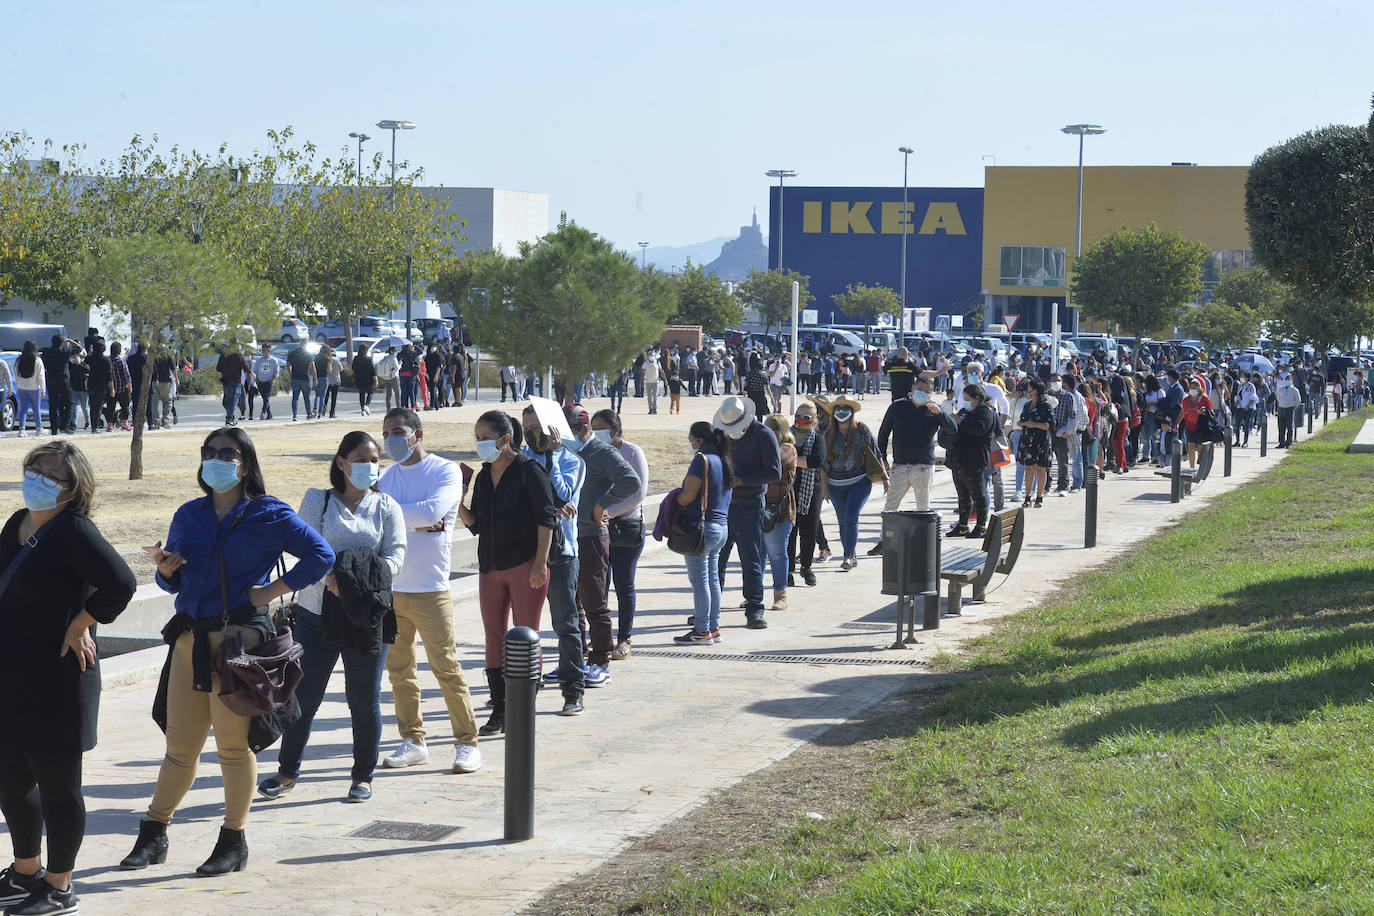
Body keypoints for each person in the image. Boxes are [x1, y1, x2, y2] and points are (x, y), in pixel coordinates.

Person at [122, 427, 333, 877]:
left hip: (240, 644)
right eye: (209, 452)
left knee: (233, 749)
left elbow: (321, 555)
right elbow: (172, 579)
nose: (216, 459)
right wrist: (165, 571)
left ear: (246, 462)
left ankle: (233, 841)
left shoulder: (269, 513)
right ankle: (154, 834)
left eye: (227, 453)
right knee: (180, 748)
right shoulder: (190, 513)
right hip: (189, 640)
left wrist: (271, 591)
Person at [0, 441, 136, 915]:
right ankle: (24, 872)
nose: (40, 478)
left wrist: (82, 623)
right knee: (11, 780)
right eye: (35, 468)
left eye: (53, 474)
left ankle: (59, 886)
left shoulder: (76, 530)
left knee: (58, 786)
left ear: (74, 487)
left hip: (59, 676)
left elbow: (121, 583)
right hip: (11, 674)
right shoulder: (16, 523)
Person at [257, 432, 405, 805]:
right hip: (315, 614)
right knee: (304, 696)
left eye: (375, 460)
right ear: (341, 462)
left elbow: (395, 558)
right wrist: (330, 578)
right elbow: (302, 549)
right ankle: (287, 771)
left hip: (366, 617)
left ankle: (363, 776)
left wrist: (351, 584)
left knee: (364, 699)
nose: (370, 466)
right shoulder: (317, 500)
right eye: (361, 459)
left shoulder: (387, 506)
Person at [375, 408, 483, 774]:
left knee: (446, 668)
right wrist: (416, 519)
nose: (391, 438)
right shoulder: (387, 476)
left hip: (430, 588)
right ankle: (413, 740)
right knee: (400, 671)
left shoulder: (444, 470)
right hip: (391, 589)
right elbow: (386, 520)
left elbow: (433, 512)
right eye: (387, 431)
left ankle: (467, 742)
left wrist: (402, 516)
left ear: (418, 434)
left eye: (398, 431)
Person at [461, 411, 560, 734]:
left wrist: (539, 564)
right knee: (494, 635)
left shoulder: (530, 470)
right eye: (476, 438)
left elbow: (547, 520)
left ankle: (523, 706)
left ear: (505, 439)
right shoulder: (483, 474)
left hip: (524, 564)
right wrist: (457, 503)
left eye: (485, 438)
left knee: (525, 633)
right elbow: (476, 523)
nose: (480, 444)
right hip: (490, 565)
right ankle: (500, 708)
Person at [562, 404, 641, 686]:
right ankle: (573, 658)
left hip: (591, 537)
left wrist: (601, 504)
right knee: (569, 603)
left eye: (568, 431)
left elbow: (631, 481)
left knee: (595, 600)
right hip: (566, 537)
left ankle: (600, 661)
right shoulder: (567, 453)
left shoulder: (602, 453)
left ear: (583, 430)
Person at [522, 408, 588, 715]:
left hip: (561, 554)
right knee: (525, 627)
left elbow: (562, 496)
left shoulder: (572, 461)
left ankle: (573, 688)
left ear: (553, 429)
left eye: (536, 427)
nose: (531, 433)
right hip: (526, 552)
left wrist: (551, 458)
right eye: (526, 427)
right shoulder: (520, 459)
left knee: (565, 622)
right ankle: (526, 686)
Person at [713, 396, 782, 628]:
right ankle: (710, 610)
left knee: (750, 560)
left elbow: (774, 473)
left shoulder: (764, 435)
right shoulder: (721, 434)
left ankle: (754, 608)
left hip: (750, 507)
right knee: (716, 561)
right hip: (723, 506)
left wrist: (743, 481)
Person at [869, 376, 957, 555]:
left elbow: (953, 429)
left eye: (926, 391)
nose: (922, 393)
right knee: (890, 507)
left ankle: (922, 544)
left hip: (923, 466)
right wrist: (883, 458)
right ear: (912, 387)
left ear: (931, 393)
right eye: (919, 389)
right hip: (900, 465)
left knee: (923, 507)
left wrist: (940, 414)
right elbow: (883, 432)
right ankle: (885, 541)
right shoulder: (898, 406)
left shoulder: (934, 410)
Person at [591, 409, 648, 661]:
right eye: (592, 426)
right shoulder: (592, 451)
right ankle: (600, 639)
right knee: (597, 586)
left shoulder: (633, 452)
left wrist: (608, 512)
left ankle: (625, 638)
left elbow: (638, 493)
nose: (595, 431)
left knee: (624, 584)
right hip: (597, 526)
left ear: (615, 430)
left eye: (600, 427)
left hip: (625, 528)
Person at [673, 422, 735, 645]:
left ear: (699, 440)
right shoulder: (723, 459)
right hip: (721, 527)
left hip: (702, 529)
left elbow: (688, 495)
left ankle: (700, 631)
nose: (690, 443)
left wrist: (673, 500)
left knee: (700, 581)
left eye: (691, 439)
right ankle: (713, 627)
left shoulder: (702, 460)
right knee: (712, 579)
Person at [819, 397, 886, 569]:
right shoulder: (827, 434)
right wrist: (824, 488)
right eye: (838, 408)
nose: (841, 412)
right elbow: (823, 464)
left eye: (845, 408)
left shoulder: (861, 429)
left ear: (852, 412)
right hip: (835, 485)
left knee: (851, 516)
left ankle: (848, 556)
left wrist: (885, 477)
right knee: (843, 521)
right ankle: (851, 553)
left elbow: (876, 452)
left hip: (860, 481)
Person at [946, 384, 998, 536]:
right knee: (962, 494)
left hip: (975, 459)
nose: (966, 402)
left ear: (977, 398)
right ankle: (962, 525)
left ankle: (981, 526)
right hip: (959, 458)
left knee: (977, 494)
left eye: (968, 399)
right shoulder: (964, 411)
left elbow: (979, 428)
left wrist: (959, 421)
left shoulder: (986, 412)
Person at [787, 401, 827, 586]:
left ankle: (806, 567)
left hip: (811, 490)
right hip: (788, 489)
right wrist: (799, 461)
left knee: (809, 531)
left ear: (813, 420)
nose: (800, 421)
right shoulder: (787, 435)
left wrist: (791, 460)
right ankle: (787, 571)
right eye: (797, 416)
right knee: (789, 532)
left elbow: (816, 460)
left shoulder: (817, 438)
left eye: (805, 418)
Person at [761, 414, 797, 610]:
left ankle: (780, 595)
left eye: (769, 429)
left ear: (779, 431)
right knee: (757, 554)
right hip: (760, 507)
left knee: (776, 553)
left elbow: (773, 463)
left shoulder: (788, 449)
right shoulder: (764, 449)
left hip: (780, 510)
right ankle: (755, 595)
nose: (765, 433)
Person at [1017, 380, 1052, 508]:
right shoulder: (1027, 405)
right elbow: (1022, 419)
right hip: (1027, 440)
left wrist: (1035, 424)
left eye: (1029, 388)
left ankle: (1039, 497)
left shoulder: (1046, 406)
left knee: (1041, 469)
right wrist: (1021, 423)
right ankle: (1027, 497)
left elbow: (1050, 424)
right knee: (1029, 468)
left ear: (1035, 390)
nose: (1027, 390)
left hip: (1041, 441)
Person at [39, 335, 81, 436]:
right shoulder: (64, 352)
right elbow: (79, 348)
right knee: (70, 403)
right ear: (62, 343)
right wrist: (70, 340)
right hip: (63, 380)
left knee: (53, 405)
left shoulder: (46, 352)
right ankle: (65, 426)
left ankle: (54, 429)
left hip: (51, 380)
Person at [1176, 380, 1214, 469]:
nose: (1192, 389)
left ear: (1199, 388)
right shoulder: (1186, 400)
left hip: (1201, 426)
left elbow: (1210, 412)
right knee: (1191, 447)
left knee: (1200, 447)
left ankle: (1200, 459)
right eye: (1191, 387)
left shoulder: (1204, 398)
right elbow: (1182, 412)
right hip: (1189, 426)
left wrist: (1203, 412)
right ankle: (1191, 468)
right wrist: (1177, 423)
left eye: (1195, 387)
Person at [14, 341, 44, 438]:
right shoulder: (37, 360)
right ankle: (39, 429)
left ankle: (21, 430)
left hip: (21, 387)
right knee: (36, 409)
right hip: (34, 388)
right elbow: (41, 376)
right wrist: (43, 389)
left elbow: (15, 373)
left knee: (23, 409)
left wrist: (18, 385)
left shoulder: (19, 360)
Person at [216, 347, 250, 427]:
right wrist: (252, 374)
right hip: (235, 382)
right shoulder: (239, 355)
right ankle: (230, 419)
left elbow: (218, 368)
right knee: (232, 402)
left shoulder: (224, 355)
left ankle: (230, 418)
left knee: (227, 402)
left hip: (227, 382)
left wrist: (226, 370)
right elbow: (246, 367)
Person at [84, 340, 112, 434]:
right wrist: (112, 388)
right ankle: (95, 427)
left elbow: (86, 360)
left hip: (91, 385)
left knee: (92, 406)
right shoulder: (106, 360)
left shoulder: (90, 358)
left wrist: (90, 351)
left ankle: (93, 426)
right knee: (98, 407)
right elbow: (109, 376)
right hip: (102, 386)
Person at [285, 343, 317, 421]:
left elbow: (288, 365)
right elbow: (312, 368)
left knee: (295, 397)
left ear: (300, 344)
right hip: (305, 378)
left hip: (295, 377)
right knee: (307, 397)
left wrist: (291, 373)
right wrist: (315, 379)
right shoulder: (308, 354)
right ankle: (309, 414)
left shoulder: (292, 353)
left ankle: (295, 415)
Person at [250, 343, 279, 421]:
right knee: (264, 398)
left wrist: (272, 381)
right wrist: (256, 380)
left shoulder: (274, 360)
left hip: (269, 382)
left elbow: (276, 373)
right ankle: (269, 414)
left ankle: (263, 412)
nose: (264, 351)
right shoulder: (259, 361)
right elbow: (255, 372)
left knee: (266, 397)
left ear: (269, 350)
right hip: (260, 382)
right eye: (263, 349)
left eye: (266, 349)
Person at [643, 349, 661, 414]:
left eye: (652, 355)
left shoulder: (657, 363)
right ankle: (650, 409)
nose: (651, 356)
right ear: (648, 356)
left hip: (655, 382)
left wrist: (665, 380)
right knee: (649, 397)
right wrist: (642, 381)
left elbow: (661, 371)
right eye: (650, 355)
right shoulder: (645, 364)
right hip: (648, 382)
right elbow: (643, 372)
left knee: (655, 396)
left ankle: (654, 409)